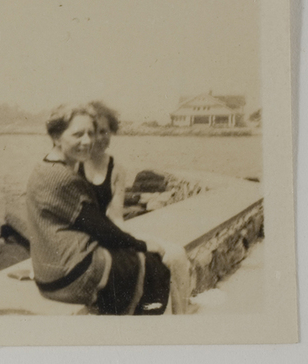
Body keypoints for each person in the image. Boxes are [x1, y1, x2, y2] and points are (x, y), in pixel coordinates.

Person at [26, 104, 171, 315]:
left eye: (90, 133)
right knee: (155, 267)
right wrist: (142, 244)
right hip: (72, 276)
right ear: (56, 137)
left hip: (48, 276)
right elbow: (100, 228)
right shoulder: (62, 178)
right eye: (78, 134)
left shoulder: (43, 168)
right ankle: (142, 331)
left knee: (138, 264)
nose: (87, 141)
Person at [79, 101, 192, 314]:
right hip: (85, 242)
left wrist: (135, 242)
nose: (99, 138)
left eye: (104, 131)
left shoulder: (116, 169)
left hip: (112, 234)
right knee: (151, 263)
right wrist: (137, 245)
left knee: (176, 255)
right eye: (93, 132)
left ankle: (180, 321)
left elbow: (116, 218)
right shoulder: (73, 168)